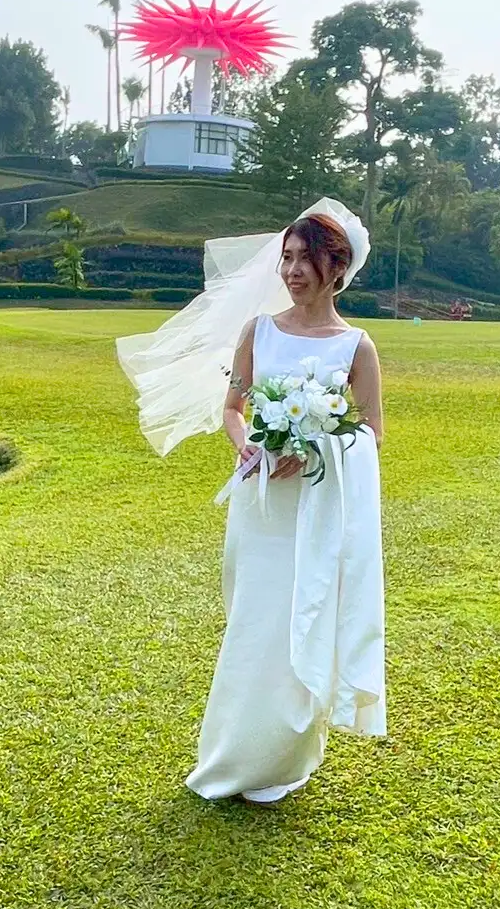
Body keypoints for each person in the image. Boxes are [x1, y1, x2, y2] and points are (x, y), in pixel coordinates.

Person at [116, 199, 386, 805]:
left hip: (314, 508)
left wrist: (314, 448)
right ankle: (232, 753)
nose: (292, 270)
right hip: (261, 505)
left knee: (301, 616)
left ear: (335, 266)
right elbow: (233, 410)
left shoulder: (357, 348)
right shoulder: (258, 332)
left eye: (305, 258)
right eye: (286, 258)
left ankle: (283, 754)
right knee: (254, 622)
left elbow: (370, 431)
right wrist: (252, 448)